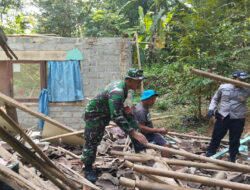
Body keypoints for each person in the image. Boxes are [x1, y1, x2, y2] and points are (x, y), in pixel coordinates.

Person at [82, 68, 148, 183]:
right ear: (128, 80)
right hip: (95, 115)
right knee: (92, 141)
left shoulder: (125, 88)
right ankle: (88, 168)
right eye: (138, 81)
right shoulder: (118, 91)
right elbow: (116, 116)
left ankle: (139, 146)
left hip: (105, 111)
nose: (139, 84)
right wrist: (133, 132)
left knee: (130, 117)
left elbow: (115, 107)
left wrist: (123, 108)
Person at [206, 70, 250, 162]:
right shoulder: (223, 87)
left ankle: (232, 157)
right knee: (217, 135)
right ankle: (211, 152)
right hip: (223, 115)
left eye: (245, 80)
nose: (243, 82)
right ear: (233, 79)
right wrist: (211, 109)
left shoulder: (247, 89)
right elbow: (215, 99)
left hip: (238, 118)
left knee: (235, 138)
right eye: (241, 79)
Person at [133, 89, 171, 157]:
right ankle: (167, 162)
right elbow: (142, 128)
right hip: (144, 134)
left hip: (147, 132)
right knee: (167, 145)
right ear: (147, 99)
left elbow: (145, 121)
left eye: (154, 99)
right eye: (152, 99)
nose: (154, 101)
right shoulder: (141, 110)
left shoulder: (144, 106)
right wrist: (158, 130)